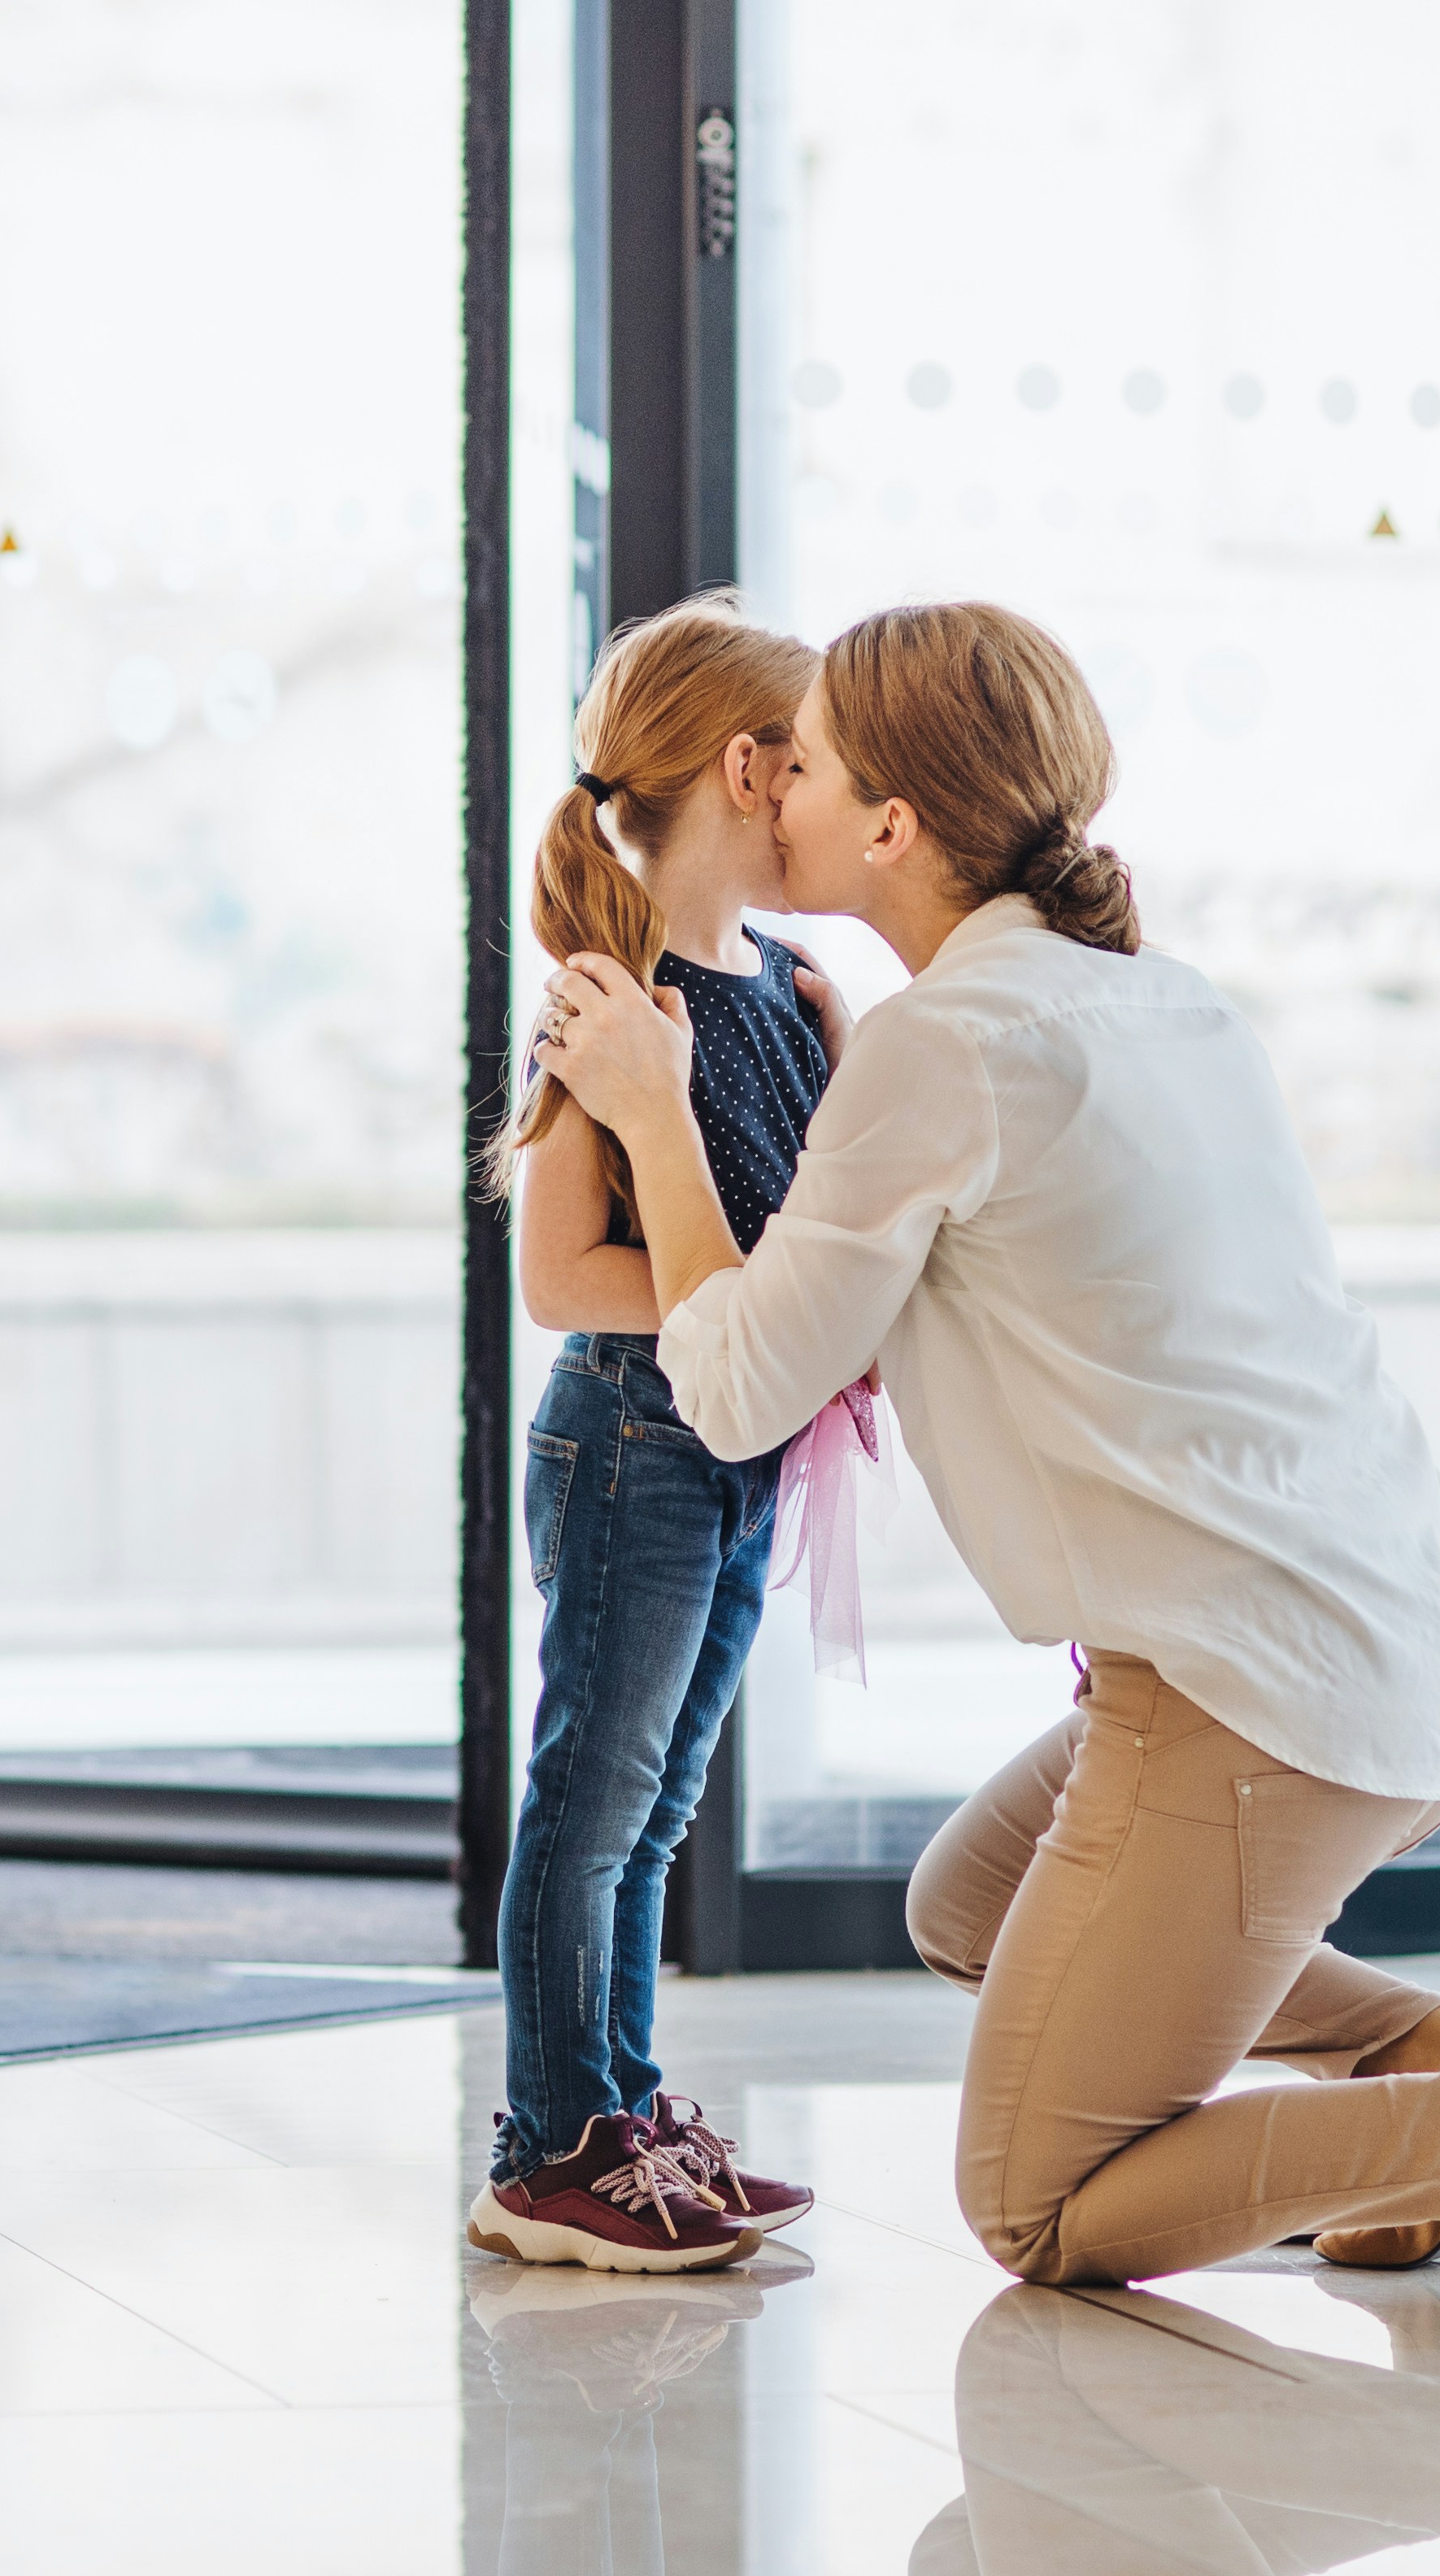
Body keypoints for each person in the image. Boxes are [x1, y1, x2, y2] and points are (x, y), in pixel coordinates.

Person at [532, 600, 1440, 2306]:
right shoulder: (1158, 999)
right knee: (967, 1905)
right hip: (1404, 1638)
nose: (777, 788)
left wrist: (655, 1109)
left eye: (814, 765)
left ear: (891, 824)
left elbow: (732, 1390)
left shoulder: (939, 1044)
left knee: (1038, 2205)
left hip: (1251, 1700)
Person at [463, 594, 846, 2275]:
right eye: (816, 761)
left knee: (657, 1800)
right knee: (595, 1794)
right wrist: (752, 1305)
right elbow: (561, 1274)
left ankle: (620, 2115)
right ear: (749, 772)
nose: (834, 796)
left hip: (737, 1444)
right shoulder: (611, 1003)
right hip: (634, 1438)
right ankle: (554, 2148)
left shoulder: (790, 987)